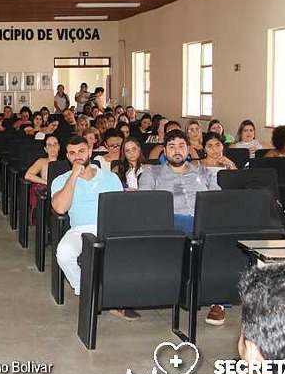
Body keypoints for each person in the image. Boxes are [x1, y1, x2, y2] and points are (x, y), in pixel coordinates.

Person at [138, 129, 224, 325]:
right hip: (171, 223)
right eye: (172, 146)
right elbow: (145, 202)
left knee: (221, 240)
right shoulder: (153, 173)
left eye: (181, 146)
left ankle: (217, 302)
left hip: (203, 222)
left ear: (189, 149)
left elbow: (218, 200)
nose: (177, 151)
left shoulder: (203, 172)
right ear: (164, 151)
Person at [51, 135, 125, 304]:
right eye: (72, 153)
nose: (77, 156)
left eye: (81, 151)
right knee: (64, 253)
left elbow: (120, 208)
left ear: (90, 151)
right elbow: (60, 208)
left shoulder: (110, 178)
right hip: (80, 230)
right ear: (68, 156)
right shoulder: (61, 180)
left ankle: (120, 295)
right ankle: (86, 291)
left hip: (109, 228)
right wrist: (74, 176)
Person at [24, 135, 61, 223]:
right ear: (45, 148)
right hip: (47, 191)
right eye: (49, 145)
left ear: (59, 147)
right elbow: (28, 175)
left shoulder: (64, 162)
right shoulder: (42, 161)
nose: (52, 147)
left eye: (55, 144)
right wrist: (45, 182)